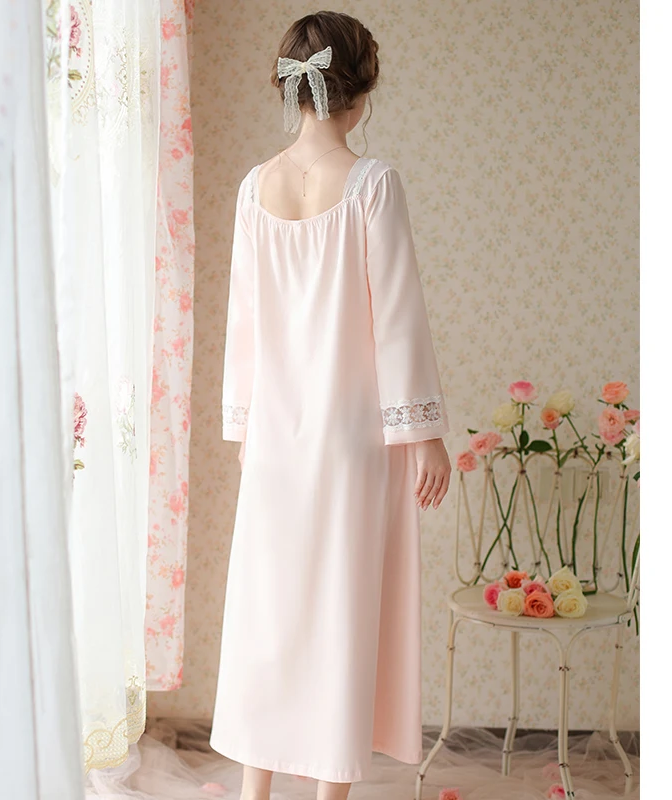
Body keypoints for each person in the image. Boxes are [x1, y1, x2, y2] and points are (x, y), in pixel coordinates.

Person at [209, 11, 452, 800]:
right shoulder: (373, 183)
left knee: (271, 613)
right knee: (337, 615)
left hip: (274, 439)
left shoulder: (255, 187)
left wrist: (243, 427)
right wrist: (424, 434)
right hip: (351, 440)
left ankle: (254, 791)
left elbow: (244, 323)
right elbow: (397, 316)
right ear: (361, 90)